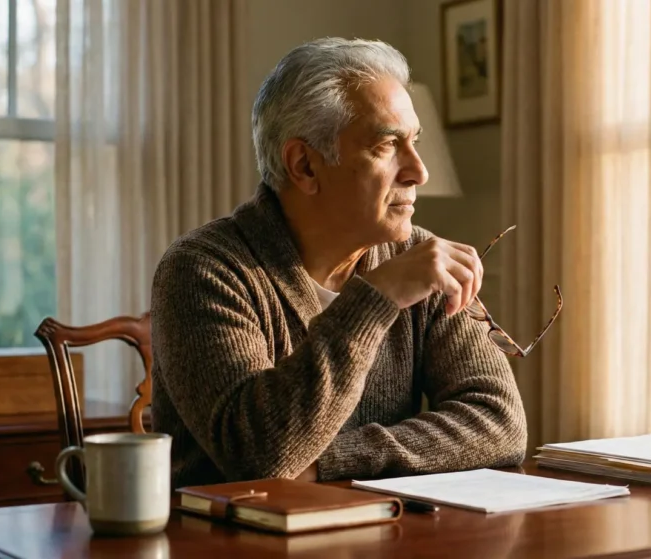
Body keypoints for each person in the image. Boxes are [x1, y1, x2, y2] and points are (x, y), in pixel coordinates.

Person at [149, 37, 527, 488]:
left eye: (415, 142)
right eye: (388, 145)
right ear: (305, 166)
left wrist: (329, 462)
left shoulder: (420, 260)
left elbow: (500, 423)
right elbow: (258, 457)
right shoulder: (202, 270)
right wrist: (377, 298)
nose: (419, 171)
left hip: (383, 535)